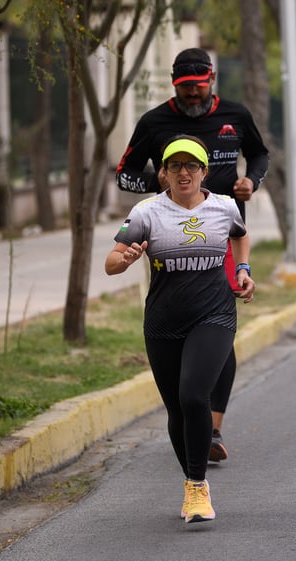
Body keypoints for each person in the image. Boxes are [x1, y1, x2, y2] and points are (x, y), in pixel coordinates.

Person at [115, 48, 269, 463]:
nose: (193, 95)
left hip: (221, 229)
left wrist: (249, 182)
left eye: (199, 87)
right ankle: (195, 416)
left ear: (213, 79)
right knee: (184, 322)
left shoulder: (235, 114)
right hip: (168, 232)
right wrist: (166, 187)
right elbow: (124, 172)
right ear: (173, 85)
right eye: (185, 89)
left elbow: (259, 154)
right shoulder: (154, 122)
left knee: (218, 327)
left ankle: (212, 426)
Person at [106, 135, 256, 523]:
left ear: (205, 172)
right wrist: (127, 258)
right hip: (163, 322)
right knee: (175, 407)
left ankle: (196, 485)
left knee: (193, 395)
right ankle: (192, 480)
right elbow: (110, 262)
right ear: (164, 175)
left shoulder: (224, 207)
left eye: (192, 166)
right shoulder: (147, 213)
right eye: (175, 166)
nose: (184, 172)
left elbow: (240, 236)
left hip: (215, 315)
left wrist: (243, 270)